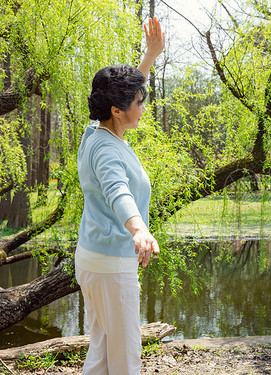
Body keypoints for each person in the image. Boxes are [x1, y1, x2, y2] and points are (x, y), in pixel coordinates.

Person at [75, 17, 165, 375]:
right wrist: (138, 228)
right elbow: (118, 191)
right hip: (112, 265)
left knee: (101, 353)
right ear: (117, 110)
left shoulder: (96, 132)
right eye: (139, 102)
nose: (142, 107)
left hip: (95, 258)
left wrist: (150, 56)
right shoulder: (108, 151)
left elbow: (124, 92)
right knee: (126, 360)